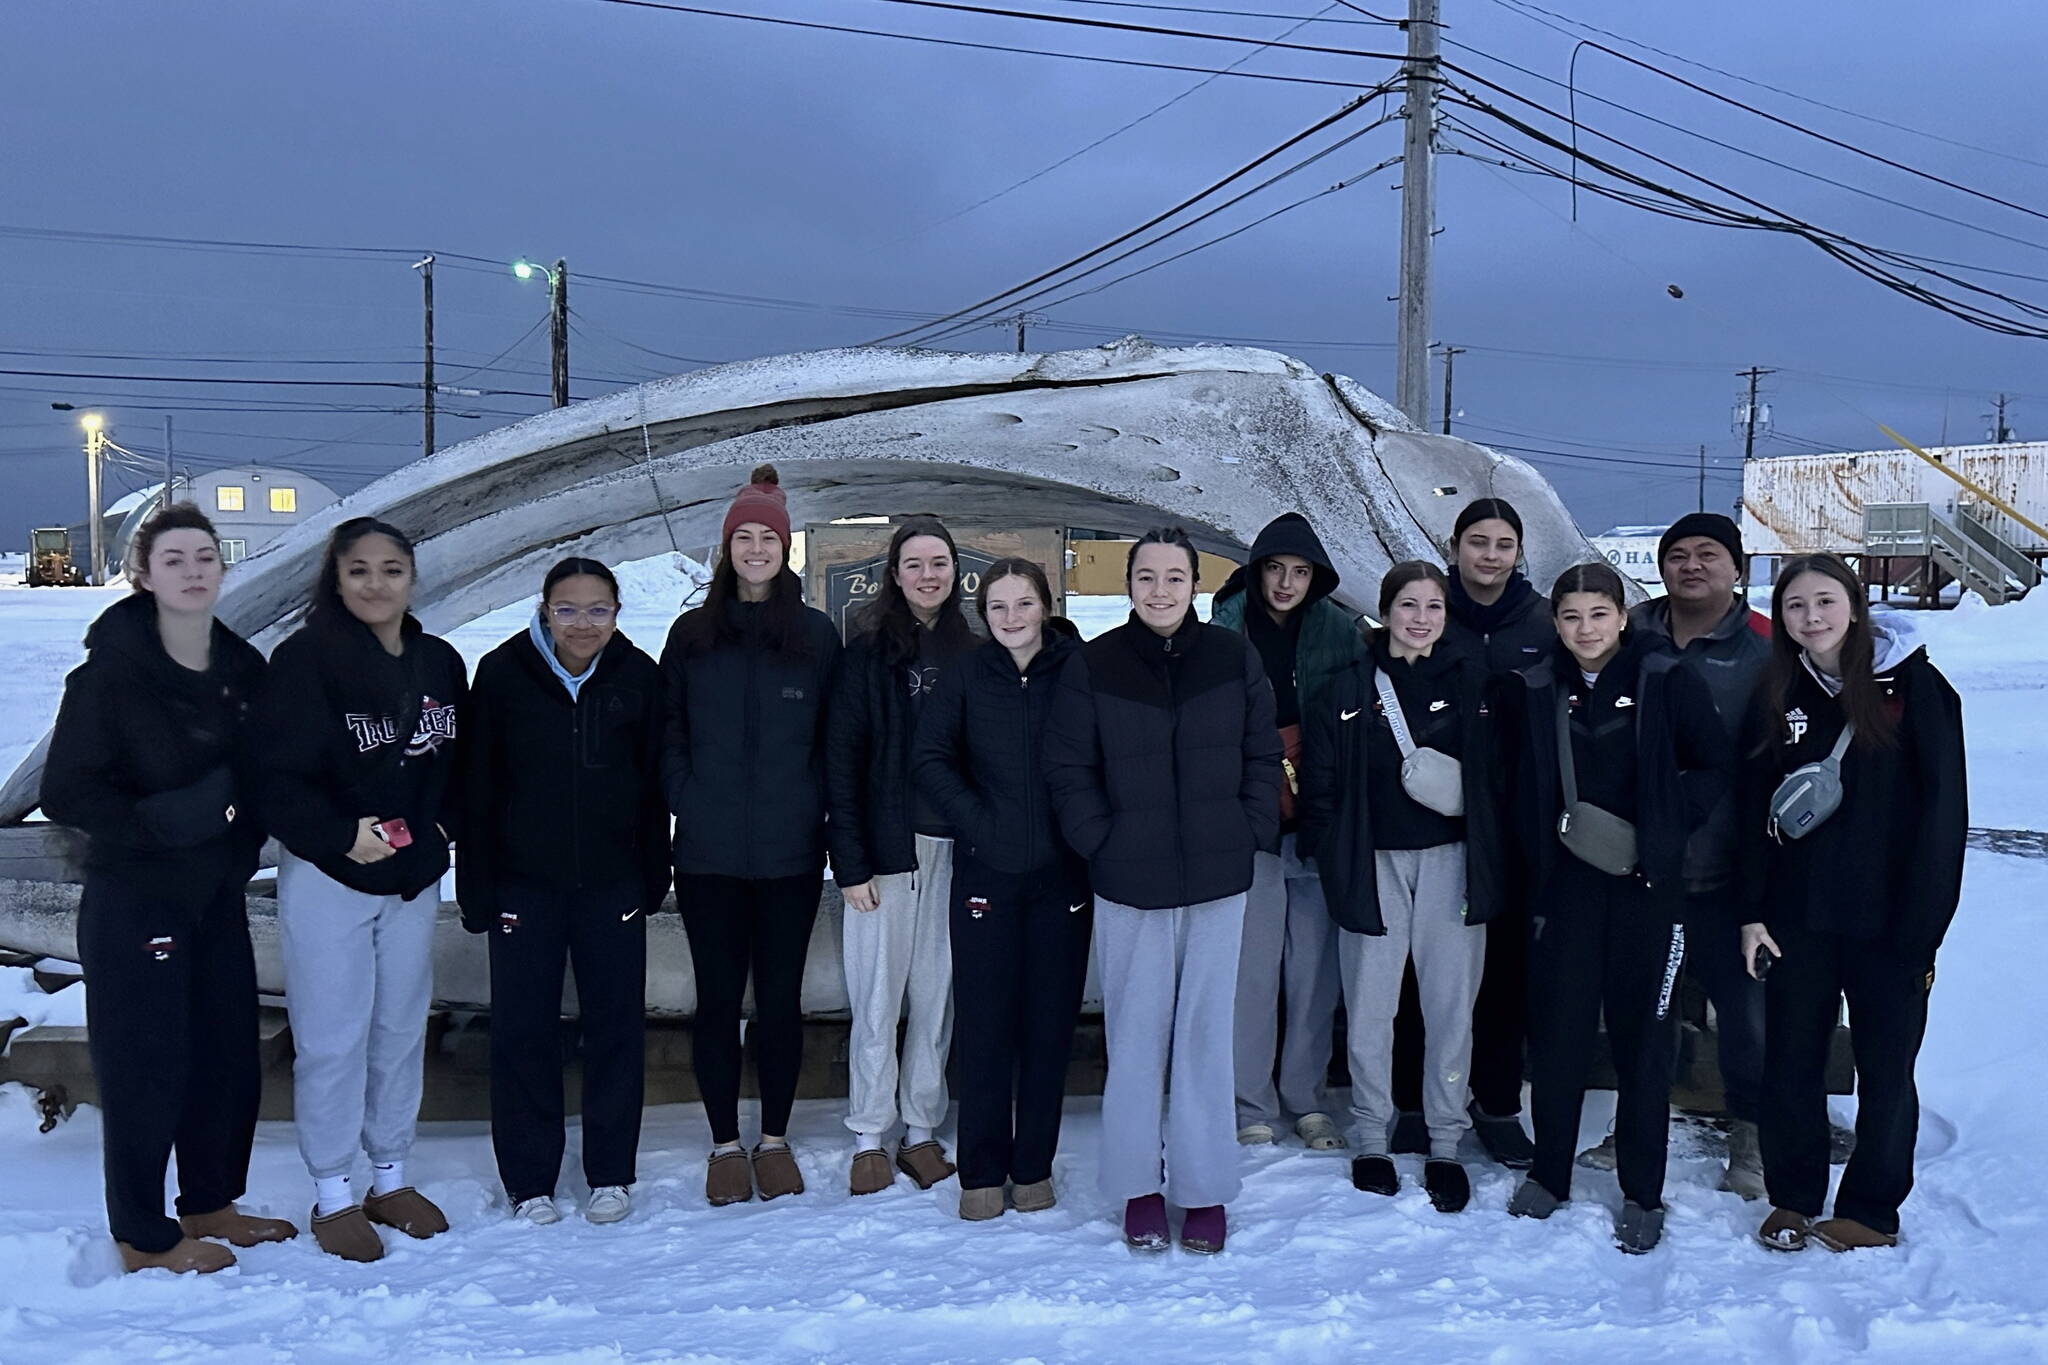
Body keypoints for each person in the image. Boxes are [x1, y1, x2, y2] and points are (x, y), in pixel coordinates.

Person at [40, 504, 294, 1274]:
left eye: (205, 557)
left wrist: (236, 837)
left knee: (224, 1054)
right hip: (135, 895)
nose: (193, 570)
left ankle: (211, 1201)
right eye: (175, 558)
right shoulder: (111, 672)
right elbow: (68, 790)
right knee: (146, 1063)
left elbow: (259, 776)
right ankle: (144, 1234)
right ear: (144, 574)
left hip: (216, 894)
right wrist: (167, 825)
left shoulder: (240, 668)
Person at [1045, 527, 1282, 1255]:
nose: (1160, 591)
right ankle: (1139, 1187)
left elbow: (1261, 753)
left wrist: (1245, 828)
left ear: (1195, 585)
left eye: (1173, 578)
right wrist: (1101, 840)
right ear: (1128, 583)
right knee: (1138, 1039)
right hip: (1129, 881)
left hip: (1216, 878)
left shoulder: (1231, 658)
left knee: (1207, 1041)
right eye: (1146, 577)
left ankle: (1203, 1188)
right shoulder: (1096, 664)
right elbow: (1068, 766)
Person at [1493, 561, 1729, 1254]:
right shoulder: (1538, 688)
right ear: (1555, 623)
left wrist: (1662, 824)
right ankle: (1550, 1172)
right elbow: (1512, 781)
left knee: (1644, 1044)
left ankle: (1642, 1191)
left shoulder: (1664, 678)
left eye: (1598, 614)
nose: (1585, 629)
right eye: (1570, 616)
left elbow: (1715, 765)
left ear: (1622, 617)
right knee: (1559, 1035)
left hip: (1645, 890)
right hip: (1563, 891)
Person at [1739, 554, 1966, 1253]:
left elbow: (1943, 816)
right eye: (1795, 605)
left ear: (1855, 605)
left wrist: (1924, 928)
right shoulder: (1777, 690)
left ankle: (1871, 1208)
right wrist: (1753, 911)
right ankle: (1793, 1196)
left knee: (1886, 1069)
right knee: (1792, 1063)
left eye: (1824, 601)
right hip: (1797, 919)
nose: (1811, 617)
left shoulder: (1916, 687)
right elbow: (1752, 809)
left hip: (1890, 925)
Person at [256, 516, 468, 1262]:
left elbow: (451, 765)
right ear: (335, 578)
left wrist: (440, 832)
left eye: (391, 570)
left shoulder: (439, 661)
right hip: (330, 872)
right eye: (360, 570)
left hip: (410, 879)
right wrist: (339, 833)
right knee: (334, 1035)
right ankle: (333, 1189)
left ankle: (389, 1172)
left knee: (401, 1027)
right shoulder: (304, 661)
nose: (376, 584)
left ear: (413, 578)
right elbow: (273, 780)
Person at [460, 557, 670, 1227]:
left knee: (615, 1027)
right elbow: (478, 787)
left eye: (598, 609)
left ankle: (610, 1171)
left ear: (617, 611)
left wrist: (653, 874)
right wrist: (478, 886)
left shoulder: (638, 676)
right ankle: (530, 1180)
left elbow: (654, 785)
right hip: (525, 883)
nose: (584, 623)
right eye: (569, 609)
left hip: (613, 884)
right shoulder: (501, 674)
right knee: (523, 1031)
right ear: (545, 609)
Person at [660, 465, 842, 1207]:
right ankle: (723, 1142)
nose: (757, 549)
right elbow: (668, 732)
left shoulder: (815, 636)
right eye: (745, 537)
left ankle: (773, 1137)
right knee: (716, 1001)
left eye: (769, 537)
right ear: (727, 548)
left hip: (789, 854)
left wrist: (815, 811)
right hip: (706, 855)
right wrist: (687, 796)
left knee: (778, 1000)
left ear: (786, 547)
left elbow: (836, 741)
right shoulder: (693, 635)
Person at [1297, 562, 1503, 1214]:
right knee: (1370, 1007)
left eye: (1433, 606)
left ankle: (1446, 1139)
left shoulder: (1475, 683)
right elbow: (1322, 793)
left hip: (1452, 863)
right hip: (1373, 863)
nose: (1420, 618)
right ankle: (1370, 1135)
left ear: (1447, 615)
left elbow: (1497, 784)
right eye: (1407, 605)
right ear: (1385, 611)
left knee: (1450, 1009)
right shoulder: (1345, 689)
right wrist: (1337, 862)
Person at [1577, 514, 1772, 1196]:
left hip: (1727, 869)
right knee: (1641, 1013)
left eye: (1708, 554)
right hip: (1637, 870)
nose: (1691, 565)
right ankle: (1633, 1127)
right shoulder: (1631, 633)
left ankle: (1749, 1135)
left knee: (1744, 1014)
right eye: (1677, 555)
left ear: (1737, 567)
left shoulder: (1763, 651)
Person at [913, 558, 1090, 1220]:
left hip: (1061, 877)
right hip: (986, 875)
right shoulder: (967, 676)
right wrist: (978, 819)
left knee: (1047, 1027)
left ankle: (1033, 1165)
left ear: (1045, 605)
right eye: (998, 607)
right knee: (986, 1025)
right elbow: (930, 756)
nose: (1012, 618)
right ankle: (982, 1170)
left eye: (1023, 604)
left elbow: (1100, 755)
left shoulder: (1076, 673)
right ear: (982, 616)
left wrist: (1080, 828)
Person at [1396, 496, 1555, 1168]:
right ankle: (1412, 1101)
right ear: (1454, 543)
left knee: (1505, 972)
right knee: (1418, 972)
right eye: (1478, 541)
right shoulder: (1432, 613)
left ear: (1519, 553)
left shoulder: (1542, 621)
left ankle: (1494, 1103)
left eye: (1503, 544)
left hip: (1517, 825)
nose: (1490, 555)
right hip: (1437, 823)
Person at [827, 516, 978, 1196]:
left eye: (938, 562)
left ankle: (920, 1128)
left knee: (935, 995)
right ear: (894, 573)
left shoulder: (975, 654)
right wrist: (850, 862)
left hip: (953, 848)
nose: (927, 574)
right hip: (883, 855)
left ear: (954, 571)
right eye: (914, 563)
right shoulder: (864, 656)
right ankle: (868, 1130)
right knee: (877, 998)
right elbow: (841, 763)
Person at [1210, 513, 1360, 1152]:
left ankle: (1308, 1099)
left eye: (1300, 572)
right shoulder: (1223, 628)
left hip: (1319, 821)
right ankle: (1249, 1100)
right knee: (1251, 971)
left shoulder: (1340, 633)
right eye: (1276, 568)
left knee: (1314, 972)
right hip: (1250, 823)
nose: (1287, 582)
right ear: (1258, 569)